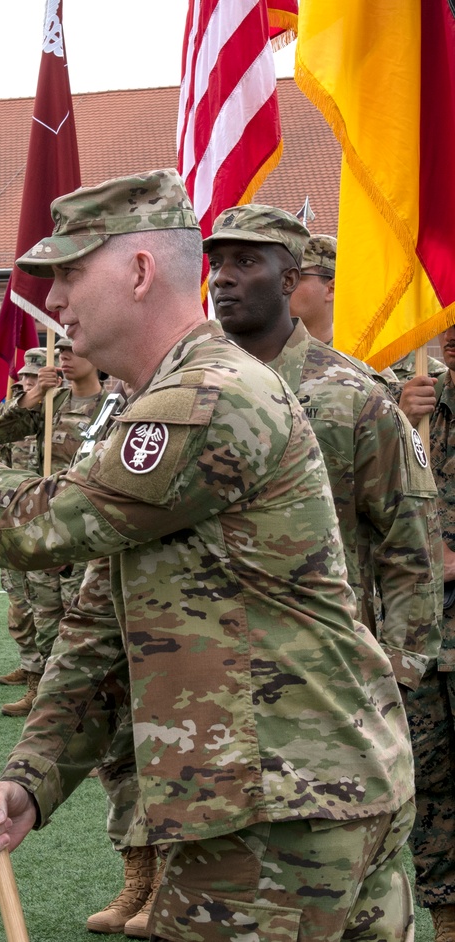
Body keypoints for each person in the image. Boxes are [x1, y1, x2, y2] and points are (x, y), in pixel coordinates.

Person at [0, 169, 417, 941]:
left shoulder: (206, 397)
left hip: (278, 810)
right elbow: (100, 620)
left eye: (68, 272)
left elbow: (27, 530)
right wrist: (34, 778)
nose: (52, 301)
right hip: (296, 796)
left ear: (138, 271)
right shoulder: (167, 397)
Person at [205, 204, 441, 694]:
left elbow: (409, 543)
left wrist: (397, 676)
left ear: (289, 279)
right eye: (216, 263)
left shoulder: (352, 394)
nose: (223, 278)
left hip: (326, 685)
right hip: (205, 680)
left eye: (245, 262)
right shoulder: (185, 389)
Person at [0, 334, 109, 716]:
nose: (65, 358)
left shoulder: (113, 405)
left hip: (86, 529)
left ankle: (85, 697)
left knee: (83, 618)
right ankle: (41, 690)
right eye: (60, 352)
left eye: (72, 350)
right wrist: (32, 397)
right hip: (44, 523)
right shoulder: (54, 403)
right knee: (44, 614)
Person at [394, 329, 455, 942]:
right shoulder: (414, 402)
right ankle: (446, 914)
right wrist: (405, 422)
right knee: (428, 779)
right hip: (422, 636)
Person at [0, 347, 41, 689]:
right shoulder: (17, 412)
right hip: (12, 519)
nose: (23, 383)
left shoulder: (53, 413)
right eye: (21, 377)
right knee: (18, 600)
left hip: (44, 518)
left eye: (32, 377)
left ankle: (44, 674)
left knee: (47, 605)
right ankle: (30, 663)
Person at [288, 234, 336, 344]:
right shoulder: (253, 351)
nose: (284, 285)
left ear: (331, 289)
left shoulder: (357, 354)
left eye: (295, 277)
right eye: (281, 275)